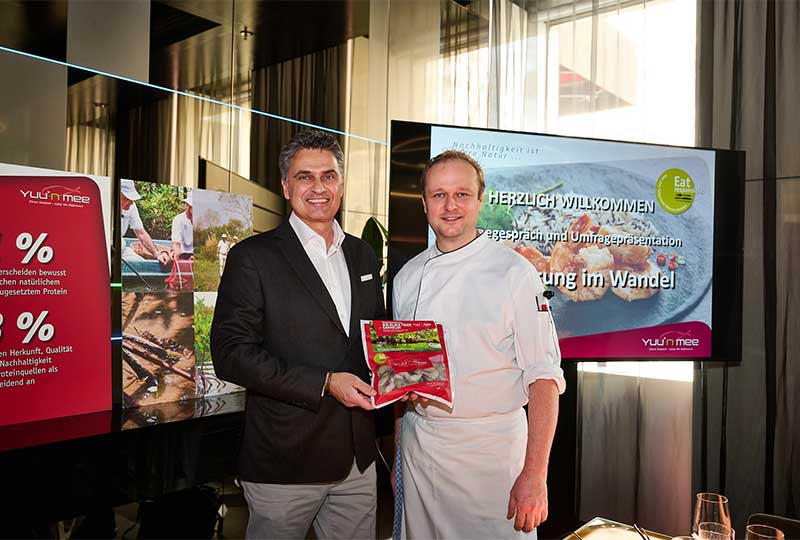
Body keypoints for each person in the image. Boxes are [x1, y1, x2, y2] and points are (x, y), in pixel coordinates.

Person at [210, 129, 385, 540]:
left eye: (329, 176)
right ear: (286, 186)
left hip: (357, 462)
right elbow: (231, 353)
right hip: (285, 463)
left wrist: (406, 371)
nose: (318, 187)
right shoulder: (253, 257)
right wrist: (325, 382)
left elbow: (373, 337)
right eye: (305, 177)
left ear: (341, 183)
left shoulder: (362, 254)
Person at [392, 150, 566, 539]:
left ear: (480, 201)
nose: (450, 206)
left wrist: (535, 474)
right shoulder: (407, 278)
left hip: (491, 458)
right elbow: (406, 378)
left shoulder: (516, 273)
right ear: (424, 204)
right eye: (439, 195)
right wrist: (397, 462)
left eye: (462, 194)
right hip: (421, 454)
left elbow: (544, 378)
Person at [119, 179, 169, 264]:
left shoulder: (131, 206)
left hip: (122, 249)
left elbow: (141, 233)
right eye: (127, 198)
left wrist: (157, 253)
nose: (131, 202)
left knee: (141, 264)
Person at [170, 191, 193, 260]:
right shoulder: (178, 219)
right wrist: (177, 253)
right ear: (187, 206)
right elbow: (176, 243)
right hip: (183, 254)